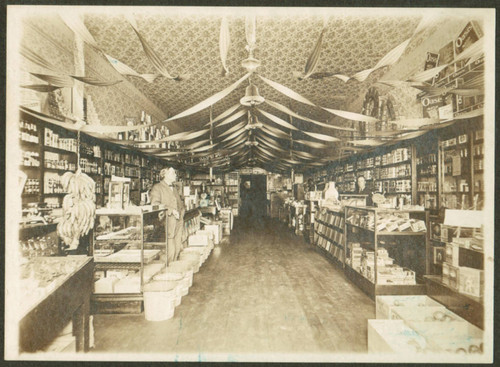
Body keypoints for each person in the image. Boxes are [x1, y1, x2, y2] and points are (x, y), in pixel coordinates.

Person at [150, 167, 185, 263]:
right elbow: (155, 205)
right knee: (170, 245)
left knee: (178, 243)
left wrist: (182, 212)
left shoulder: (174, 188)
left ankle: (174, 265)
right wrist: (171, 211)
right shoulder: (157, 188)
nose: (175, 175)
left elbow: (179, 202)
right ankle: (169, 267)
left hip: (178, 220)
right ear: (165, 175)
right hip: (168, 220)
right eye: (173, 173)